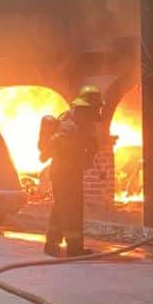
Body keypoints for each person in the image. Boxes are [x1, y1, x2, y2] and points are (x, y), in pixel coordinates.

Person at [40, 85, 102, 258]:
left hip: (70, 173)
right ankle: (74, 247)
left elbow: (88, 145)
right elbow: (62, 149)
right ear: (85, 108)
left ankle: (51, 244)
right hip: (64, 174)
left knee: (61, 208)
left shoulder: (80, 124)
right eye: (94, 109)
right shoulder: (69, 127)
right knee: (72, 210)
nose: (96, 113)